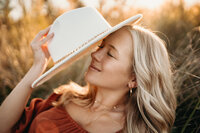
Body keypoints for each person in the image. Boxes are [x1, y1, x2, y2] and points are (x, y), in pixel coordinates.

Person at [0, 24, 177, 133]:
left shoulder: (135, 130)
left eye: (110, 54)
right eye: (101, 46)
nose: (95, 54)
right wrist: (38, 67)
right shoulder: (63, 98)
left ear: (134, 78)